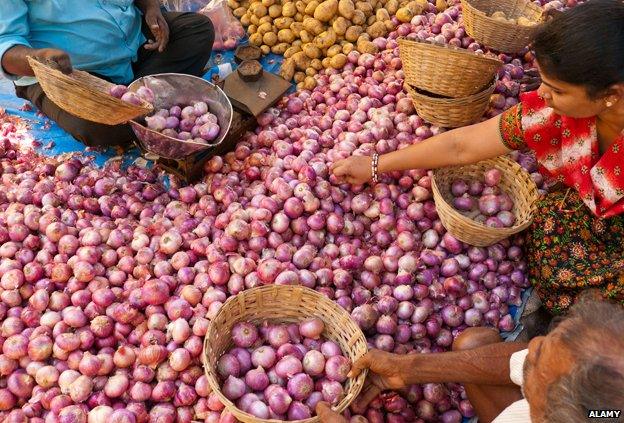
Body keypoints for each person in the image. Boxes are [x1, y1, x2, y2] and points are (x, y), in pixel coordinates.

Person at [331, 0, 624, 317]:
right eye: (544, 83)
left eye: (557, 90)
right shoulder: (552, 114)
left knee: (601, 323)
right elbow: (462, 145)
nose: (542, 95)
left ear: (612, 95)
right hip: (583, 214)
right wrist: (376, 164)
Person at [315, 296, 624, 423]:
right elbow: (517, 360)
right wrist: (408, 368)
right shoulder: (601, 409)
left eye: (539, 358)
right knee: (473, 344)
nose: (532, 345)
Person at [0, 0, 215, 147]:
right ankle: (150, 100)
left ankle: (136, 98)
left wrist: (151, 7)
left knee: (197, 30)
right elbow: (6, 46)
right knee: (96, 125)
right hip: (69, 75)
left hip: (135, 42)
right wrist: (41, 57)